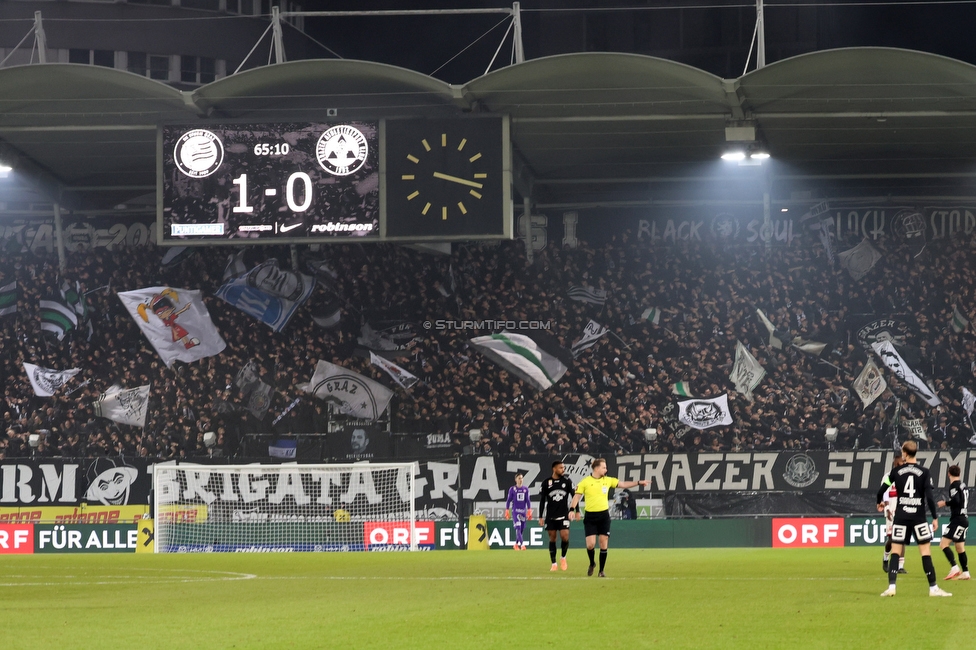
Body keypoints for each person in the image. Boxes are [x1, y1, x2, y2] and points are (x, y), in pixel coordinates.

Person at [875, 440, 952, 597]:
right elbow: (930, 497)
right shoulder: (924, 472)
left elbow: (881, 490)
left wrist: (879, 503)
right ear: (915, 452)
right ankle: (933, 588)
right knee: (925, 551)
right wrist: (935, 517)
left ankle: (891, 587)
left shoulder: (896, 472)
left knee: (896, 551)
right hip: (919, 517)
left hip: (901, 516)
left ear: (904, 453)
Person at [569, 458, 648, 577]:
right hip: (590, 516)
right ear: (596, 468)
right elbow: (576, 497)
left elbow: (623, 484)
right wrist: (571, 509)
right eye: (604, 467)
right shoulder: (585, 482)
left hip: (604, 516)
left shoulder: (608, 480)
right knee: (590, 545)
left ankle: (601, 571)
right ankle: (592, 563)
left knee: (603, 543)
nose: (606, 469)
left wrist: (638, 482)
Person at [538, 460, 576, 571]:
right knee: (552, 538)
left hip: (564, 514)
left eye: (563, 468)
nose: (563, 470)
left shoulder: (567, 481)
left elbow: (575, 497)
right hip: (550, 516)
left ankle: (563, 557)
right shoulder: (546, 482)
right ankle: (554, 563)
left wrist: (575, 510)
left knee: (565, 536)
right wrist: (540, 516)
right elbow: (542, 500)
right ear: (554, 469)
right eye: (561, 468)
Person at [937, 464, 970, 581]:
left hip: (957, 519)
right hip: (964, 519)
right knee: (960, 547)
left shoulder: (953, 486)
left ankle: (955, 567)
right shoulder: (963, 486)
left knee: (943, 544)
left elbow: (955, 500)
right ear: (959, 474)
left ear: (948, 474)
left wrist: (944, 503)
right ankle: (965, 572)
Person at [880, 448, 906, 574]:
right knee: (892, 538)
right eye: (901, 462)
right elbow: (884, 493)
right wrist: (887, 508)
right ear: (896, 463)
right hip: (891, 509)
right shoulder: (887, 476)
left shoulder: (905, 476)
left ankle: (900, 565)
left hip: (903, 509)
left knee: (902, 537)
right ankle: (886, 558)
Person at [505, 473, 532, 550]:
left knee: (522, 528)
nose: (521, 480)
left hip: (523, 511)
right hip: (515, 511)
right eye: (519, 478)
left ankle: (516, 544)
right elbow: (508, 501)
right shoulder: (512, 489)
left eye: (522, 478)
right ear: (516, 479)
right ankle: (522, 545)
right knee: (518, 527)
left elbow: (528, 500)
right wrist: (507, 510)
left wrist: (529, 510)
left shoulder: (525, 489)